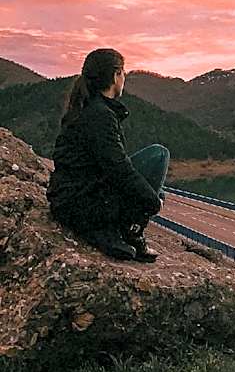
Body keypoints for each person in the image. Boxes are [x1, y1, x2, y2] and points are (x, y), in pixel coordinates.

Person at [47, 48, 170, 262]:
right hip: (81, 205)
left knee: (154, 190)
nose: (124, 78)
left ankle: (117, 230)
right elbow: (119, 169)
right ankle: (128, 232)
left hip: (72, 199)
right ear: (115, 76)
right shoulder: (100, 116)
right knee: (158, 156)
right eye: (123, 73)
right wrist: (152, 202)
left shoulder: (87, 108)